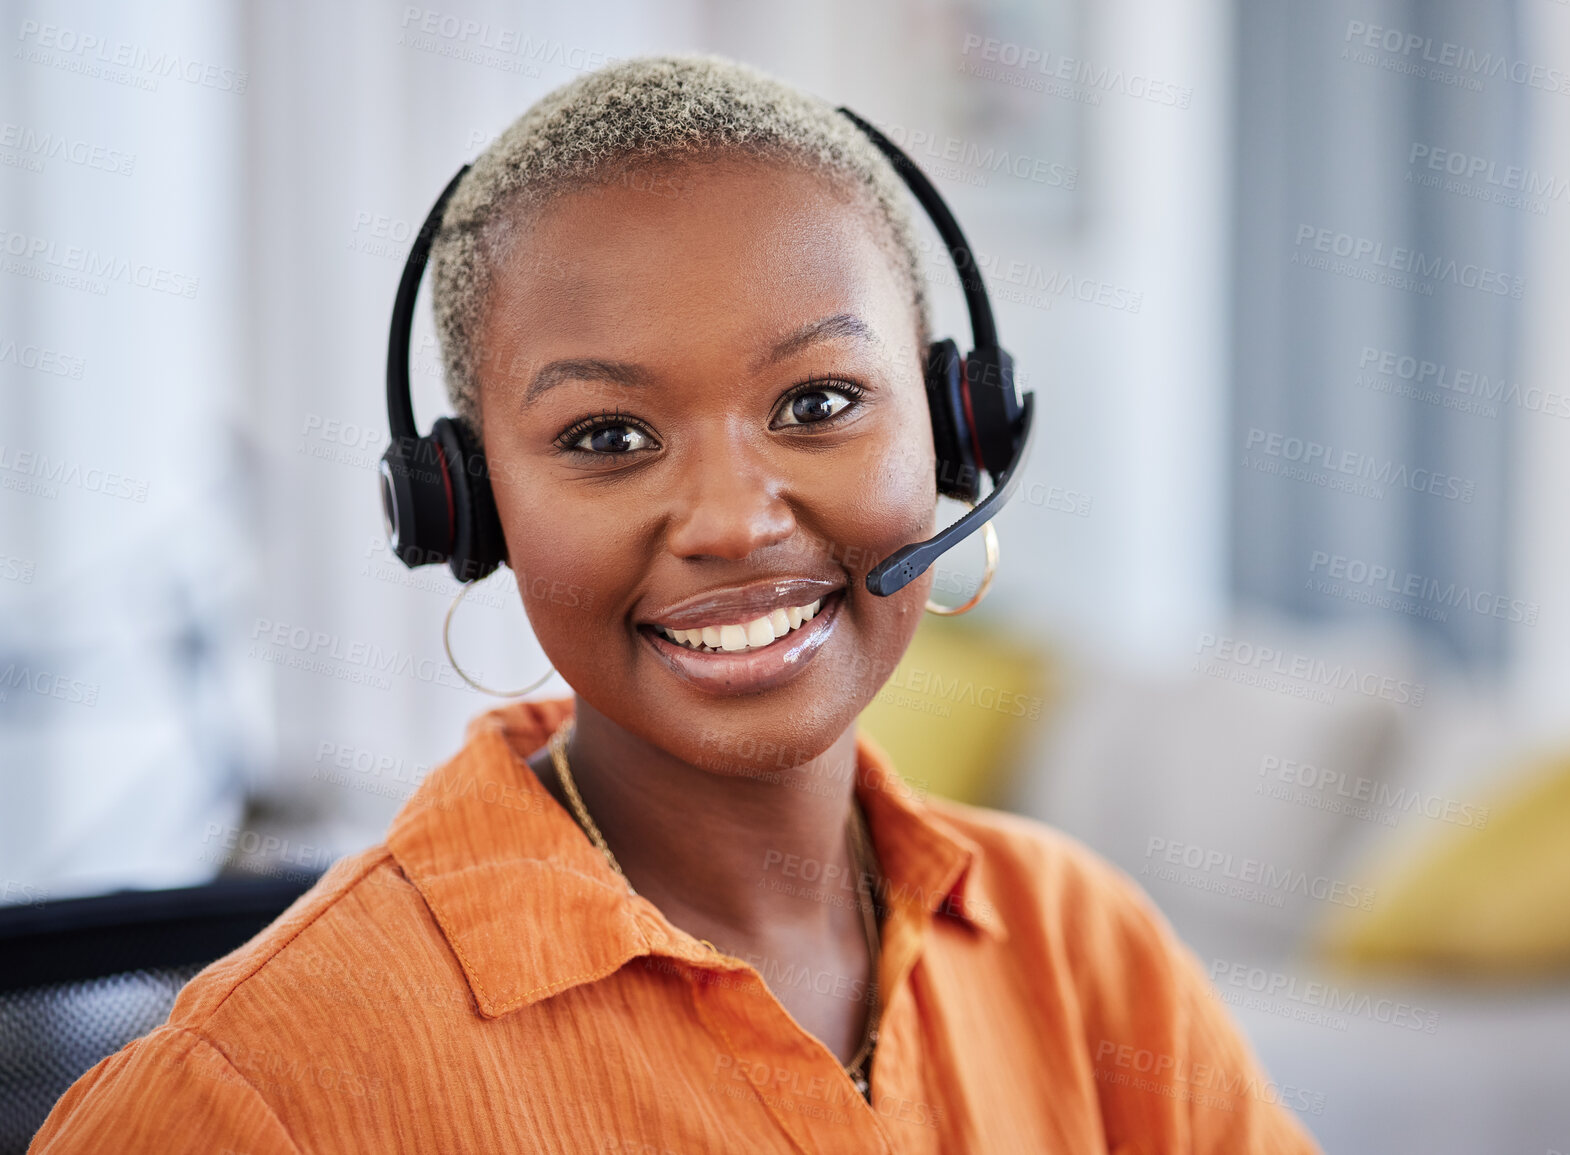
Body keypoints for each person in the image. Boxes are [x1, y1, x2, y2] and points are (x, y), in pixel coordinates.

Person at [31, 56, 1319, 1154]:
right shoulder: (255, 1092)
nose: (732, 521)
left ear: (954, 427)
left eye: (818, 403)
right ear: (466, 507)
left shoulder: (1087, 953)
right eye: (606, 435)